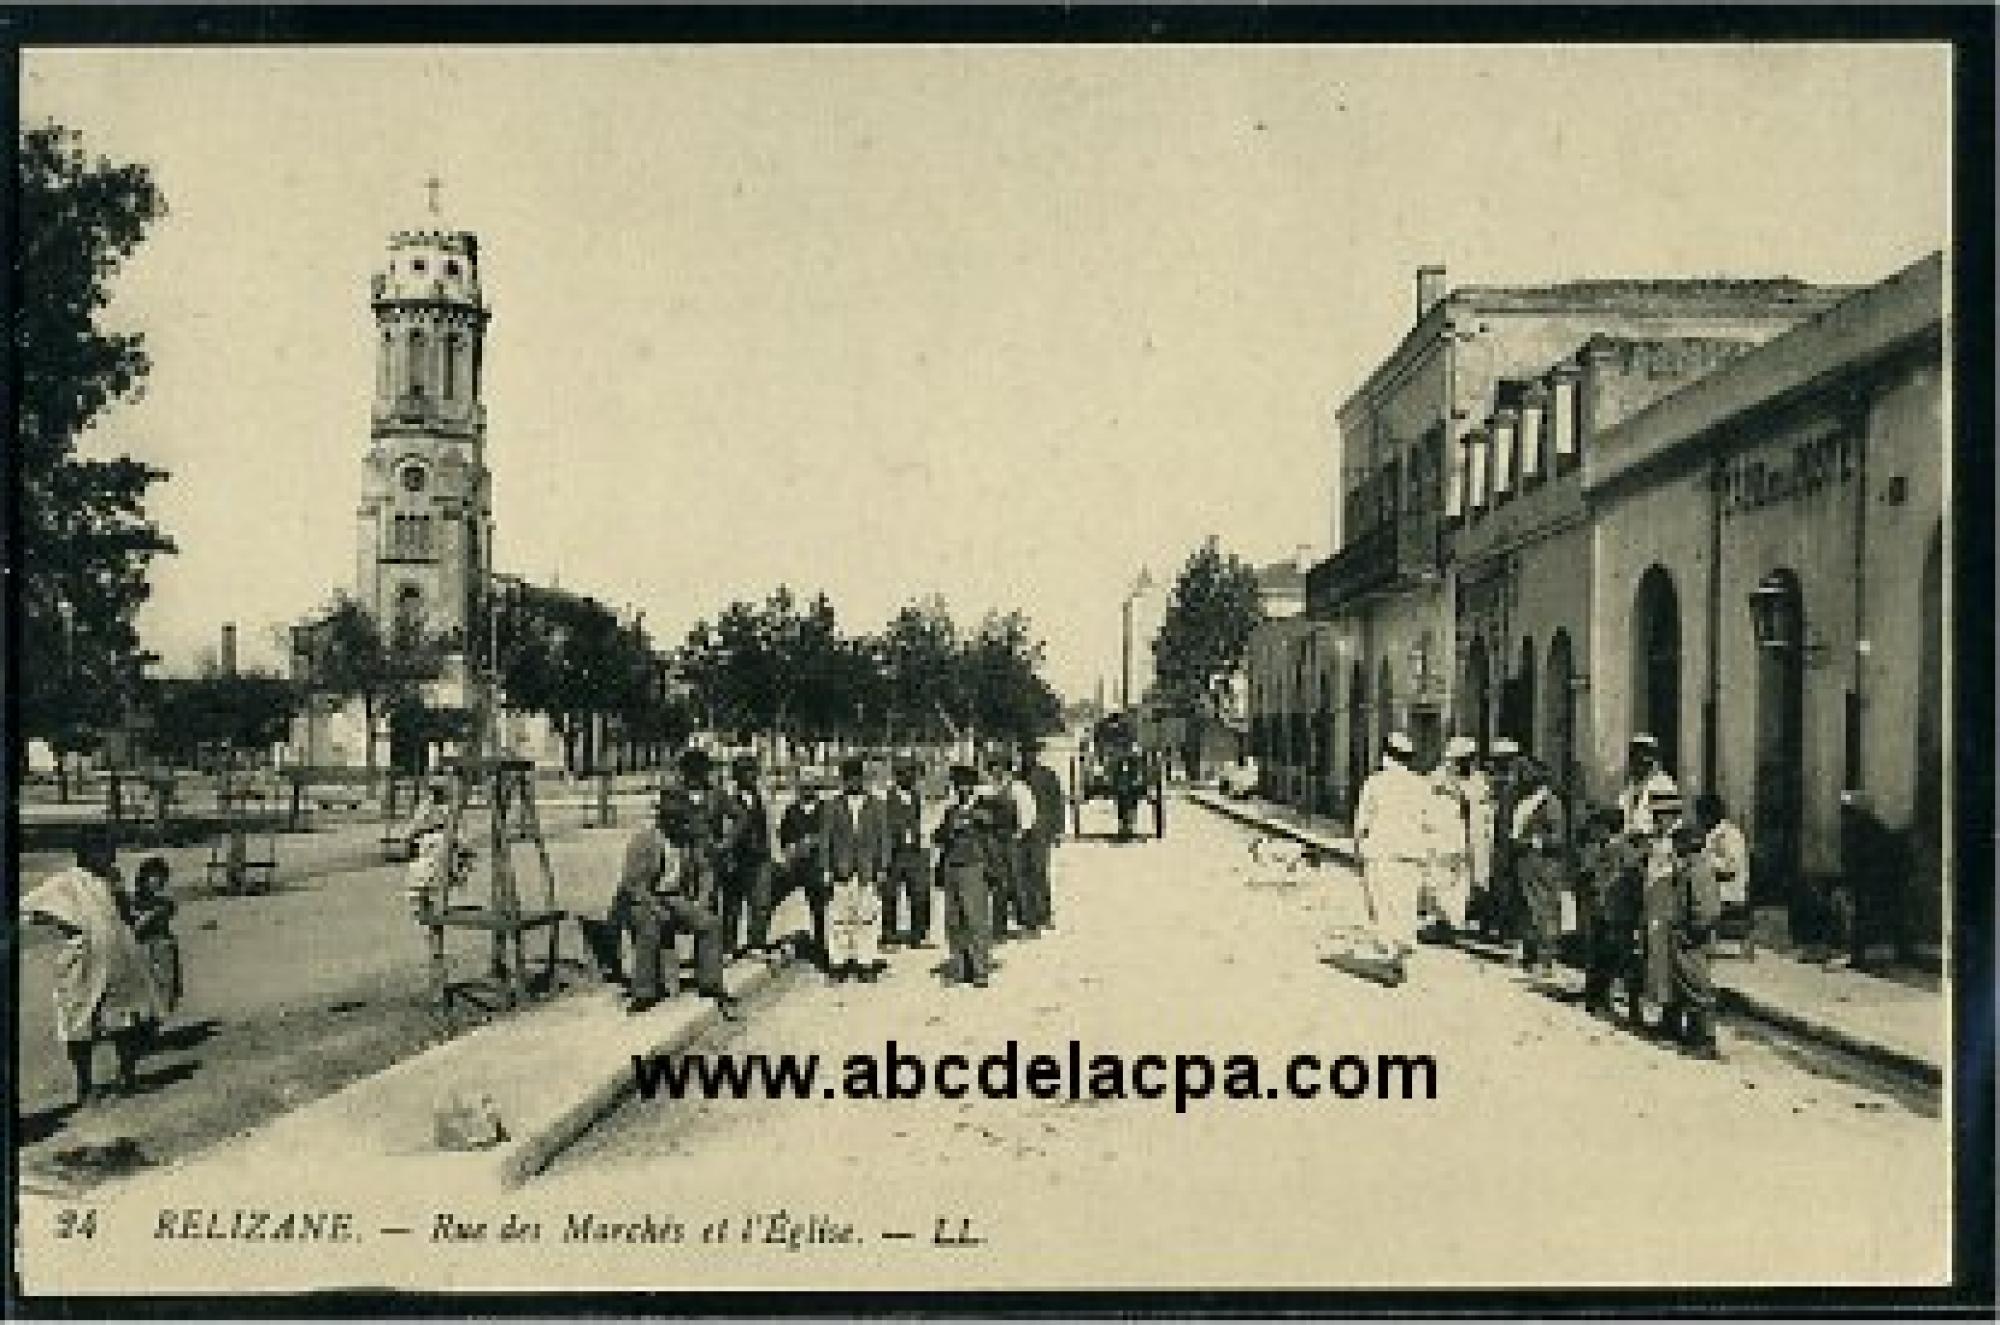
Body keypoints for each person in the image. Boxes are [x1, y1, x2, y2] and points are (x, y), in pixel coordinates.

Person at [22, 827, 167, 1107]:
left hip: (119, 956)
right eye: (101, 850)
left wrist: (122, 895)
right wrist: (66, 924)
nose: (108, 855)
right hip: (84, 962)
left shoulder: (113, 878)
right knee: (80, 1023)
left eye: (110, 849)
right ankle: (85, 1087)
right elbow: (31, 907)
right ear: (84, 853)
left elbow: (125, 912)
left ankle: (127, 1076)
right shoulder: (67, 882)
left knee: (127, 1020)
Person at [615, 800, 739, 1019]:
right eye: (675, 819)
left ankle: (710, 983)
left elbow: (706, 870)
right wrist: (653, 905)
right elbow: (632, 884)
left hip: (674, 898)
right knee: (650, 925)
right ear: (663, 819)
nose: (681, 824)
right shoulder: (644, 841)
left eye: (682, 819)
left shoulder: (688, 841)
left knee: (710, 923)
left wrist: (701, 900)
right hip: (641, 900)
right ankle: (644, 992)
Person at [1352, 732, 1434, 957]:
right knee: (1406, 902)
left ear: (1386, 754)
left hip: (1382, 851)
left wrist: (1358, 846)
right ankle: (1403, 944)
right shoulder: (1421, 784)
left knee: (1382, 903)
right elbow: (1430, 822)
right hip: (1412, 854)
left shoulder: (1376, 782)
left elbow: (1362, 821)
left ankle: (1389, 950)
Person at [822, 756, 889, 982]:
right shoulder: (832, 805)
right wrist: (825, 868)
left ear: (863, 778)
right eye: (848, 778)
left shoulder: (877, 804)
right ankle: (838, 964)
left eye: (857, 777)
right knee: (838, 918)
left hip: (867, 869)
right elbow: (825, 839)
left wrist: (883, 867)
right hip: (841, 870)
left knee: (867, 917)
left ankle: (865, 963)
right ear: (843, 780)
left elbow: (884, 838)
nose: (853, 782)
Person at [1664, 813, 1723, 1059]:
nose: (1674, 848)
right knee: (1687, 987)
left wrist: (1692, 934)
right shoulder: (1690, 868)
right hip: (1685, 937)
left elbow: (1707, 910)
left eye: (1678, 843)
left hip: (1693, 939)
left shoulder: (1698, 870)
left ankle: (1705, 1041)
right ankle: (1693, 1036)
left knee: (1698, 989)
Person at [934, 764, 995, 988]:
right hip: (952, 867)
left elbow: (999, 828)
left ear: (974, 787)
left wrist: (978, 820)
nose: (962, 790)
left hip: (974, 867)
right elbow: (937, 836)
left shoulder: (985, 808)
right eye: (958, 786)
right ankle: (959, 968)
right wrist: (951, 829)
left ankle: (980, 969)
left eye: (966, 785)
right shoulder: (950, 811)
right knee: (953, 920)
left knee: (975, 918)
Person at [1575, 806, 1640, 1020]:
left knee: (1616, 958)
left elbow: (1629, 881)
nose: (1596, 832)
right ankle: (1596, 999)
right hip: (1601, 911)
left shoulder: (1623, 851)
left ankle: (1622, 1004)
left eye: (1600, 827)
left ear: (1608, 828)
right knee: (1599, 955)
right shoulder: (1603, 848)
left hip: (1617, 913)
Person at [1633, 784, 1685, 1038]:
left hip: (1668, 908)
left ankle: (1672, 1020)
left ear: (1671, 815)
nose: (1655, 821)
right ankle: (1665, 1016)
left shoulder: (1679, 841)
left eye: (1659, 816)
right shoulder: (1659, 840)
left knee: (1669, 964)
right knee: (1656, 964)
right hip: (1654, 906)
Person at [1510, 758, 1569, 978]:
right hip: (1525, 862)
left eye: (1527, 773)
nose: (1522, 777)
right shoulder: (1525, 801)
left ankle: (1547, 960)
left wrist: (1532, 842)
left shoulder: (1550, 803)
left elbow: (1557, 837)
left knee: (1544, 911)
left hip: (1543, 863)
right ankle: (1530, 956)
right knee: (1527, 910)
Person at [720, 754, 775, 958]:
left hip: (760, 855)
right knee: (732, 904)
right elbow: (725, 827)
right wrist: (726, 855)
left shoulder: (763, 795)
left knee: (761, 902)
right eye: (746, 772)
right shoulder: (728, 797)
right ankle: (728, 947)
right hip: (736, 856)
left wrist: (774, 854)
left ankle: (757, 943)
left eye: (753, 772)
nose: (751, 776)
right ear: (737, 775)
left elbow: (770, 826)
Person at [777, 777, 833, 970]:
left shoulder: (827, 809)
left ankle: (823, 949)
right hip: (798, 867)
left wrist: (815, 841)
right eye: (804, 788)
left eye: (811, 788)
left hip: (820, 867)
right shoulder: (791, 811)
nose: (808, 791)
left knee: (821, 910)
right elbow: (784, 838)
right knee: (790, 907)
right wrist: (794, 848)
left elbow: (832, 835)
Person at [1427, 736, 1481, 937]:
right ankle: (1441, 921)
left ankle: (1455, 923)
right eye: (1461, 759)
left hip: (1463, 841)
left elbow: (1477, 804)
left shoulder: (1475, 781)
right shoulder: (1436, 779)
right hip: (1441, 839)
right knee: (1439, 882)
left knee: (1459, 883)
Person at [881, 755, 932, 949]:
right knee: (890, 894)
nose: (911, 778)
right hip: (894, 853)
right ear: (897, 777)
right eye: (906, 774)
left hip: (915, 852)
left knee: (919, 892)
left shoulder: (917, 797)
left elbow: (923, 822)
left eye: (913, 774)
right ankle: (889, 935)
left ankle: (918, 934)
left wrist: (923, 846)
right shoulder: (887, 798)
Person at [128, 856, 184, 1017]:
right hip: (142, 948)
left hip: (161, 946)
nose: (157, 881)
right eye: (153, 877)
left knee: (163, 987)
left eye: (161, 878)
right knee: (144, 989)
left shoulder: (165, 902)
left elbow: (164, 913)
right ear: (143, 879)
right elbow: (135, 926)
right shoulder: (134, 901)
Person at [1020, 739, 1067, 933]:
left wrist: (1057, 831)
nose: (1027, 757)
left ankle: (1044, 915)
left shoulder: (1048, 776)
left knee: (1038, 872)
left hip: (1041, 831)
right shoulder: (1017, 778)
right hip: (1022, 833)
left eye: (1031, 753)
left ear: (1036, 755)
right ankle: (1029, 918)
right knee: (1023, 874)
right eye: (1024, 754)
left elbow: (1057, 803)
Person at [1482, 737, 1523, 941]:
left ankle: (1509, 928)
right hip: (1496, 838)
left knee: (1510, 884)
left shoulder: (1517, 784)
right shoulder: (1492, 782)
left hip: (1510, 838)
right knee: (1498, 882)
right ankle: (1498, 924)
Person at [979, 756, 1024, 942]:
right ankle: (999, 928)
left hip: (1010, 840)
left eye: (1000, 769)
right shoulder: (984, 791)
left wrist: (1020, 833)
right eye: (993, 769)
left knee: (1016, 882)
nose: (996, 772)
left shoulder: (1016, 789)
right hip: (992, 841)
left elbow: (1026, 812)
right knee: (998, 884)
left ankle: (1024, 923)